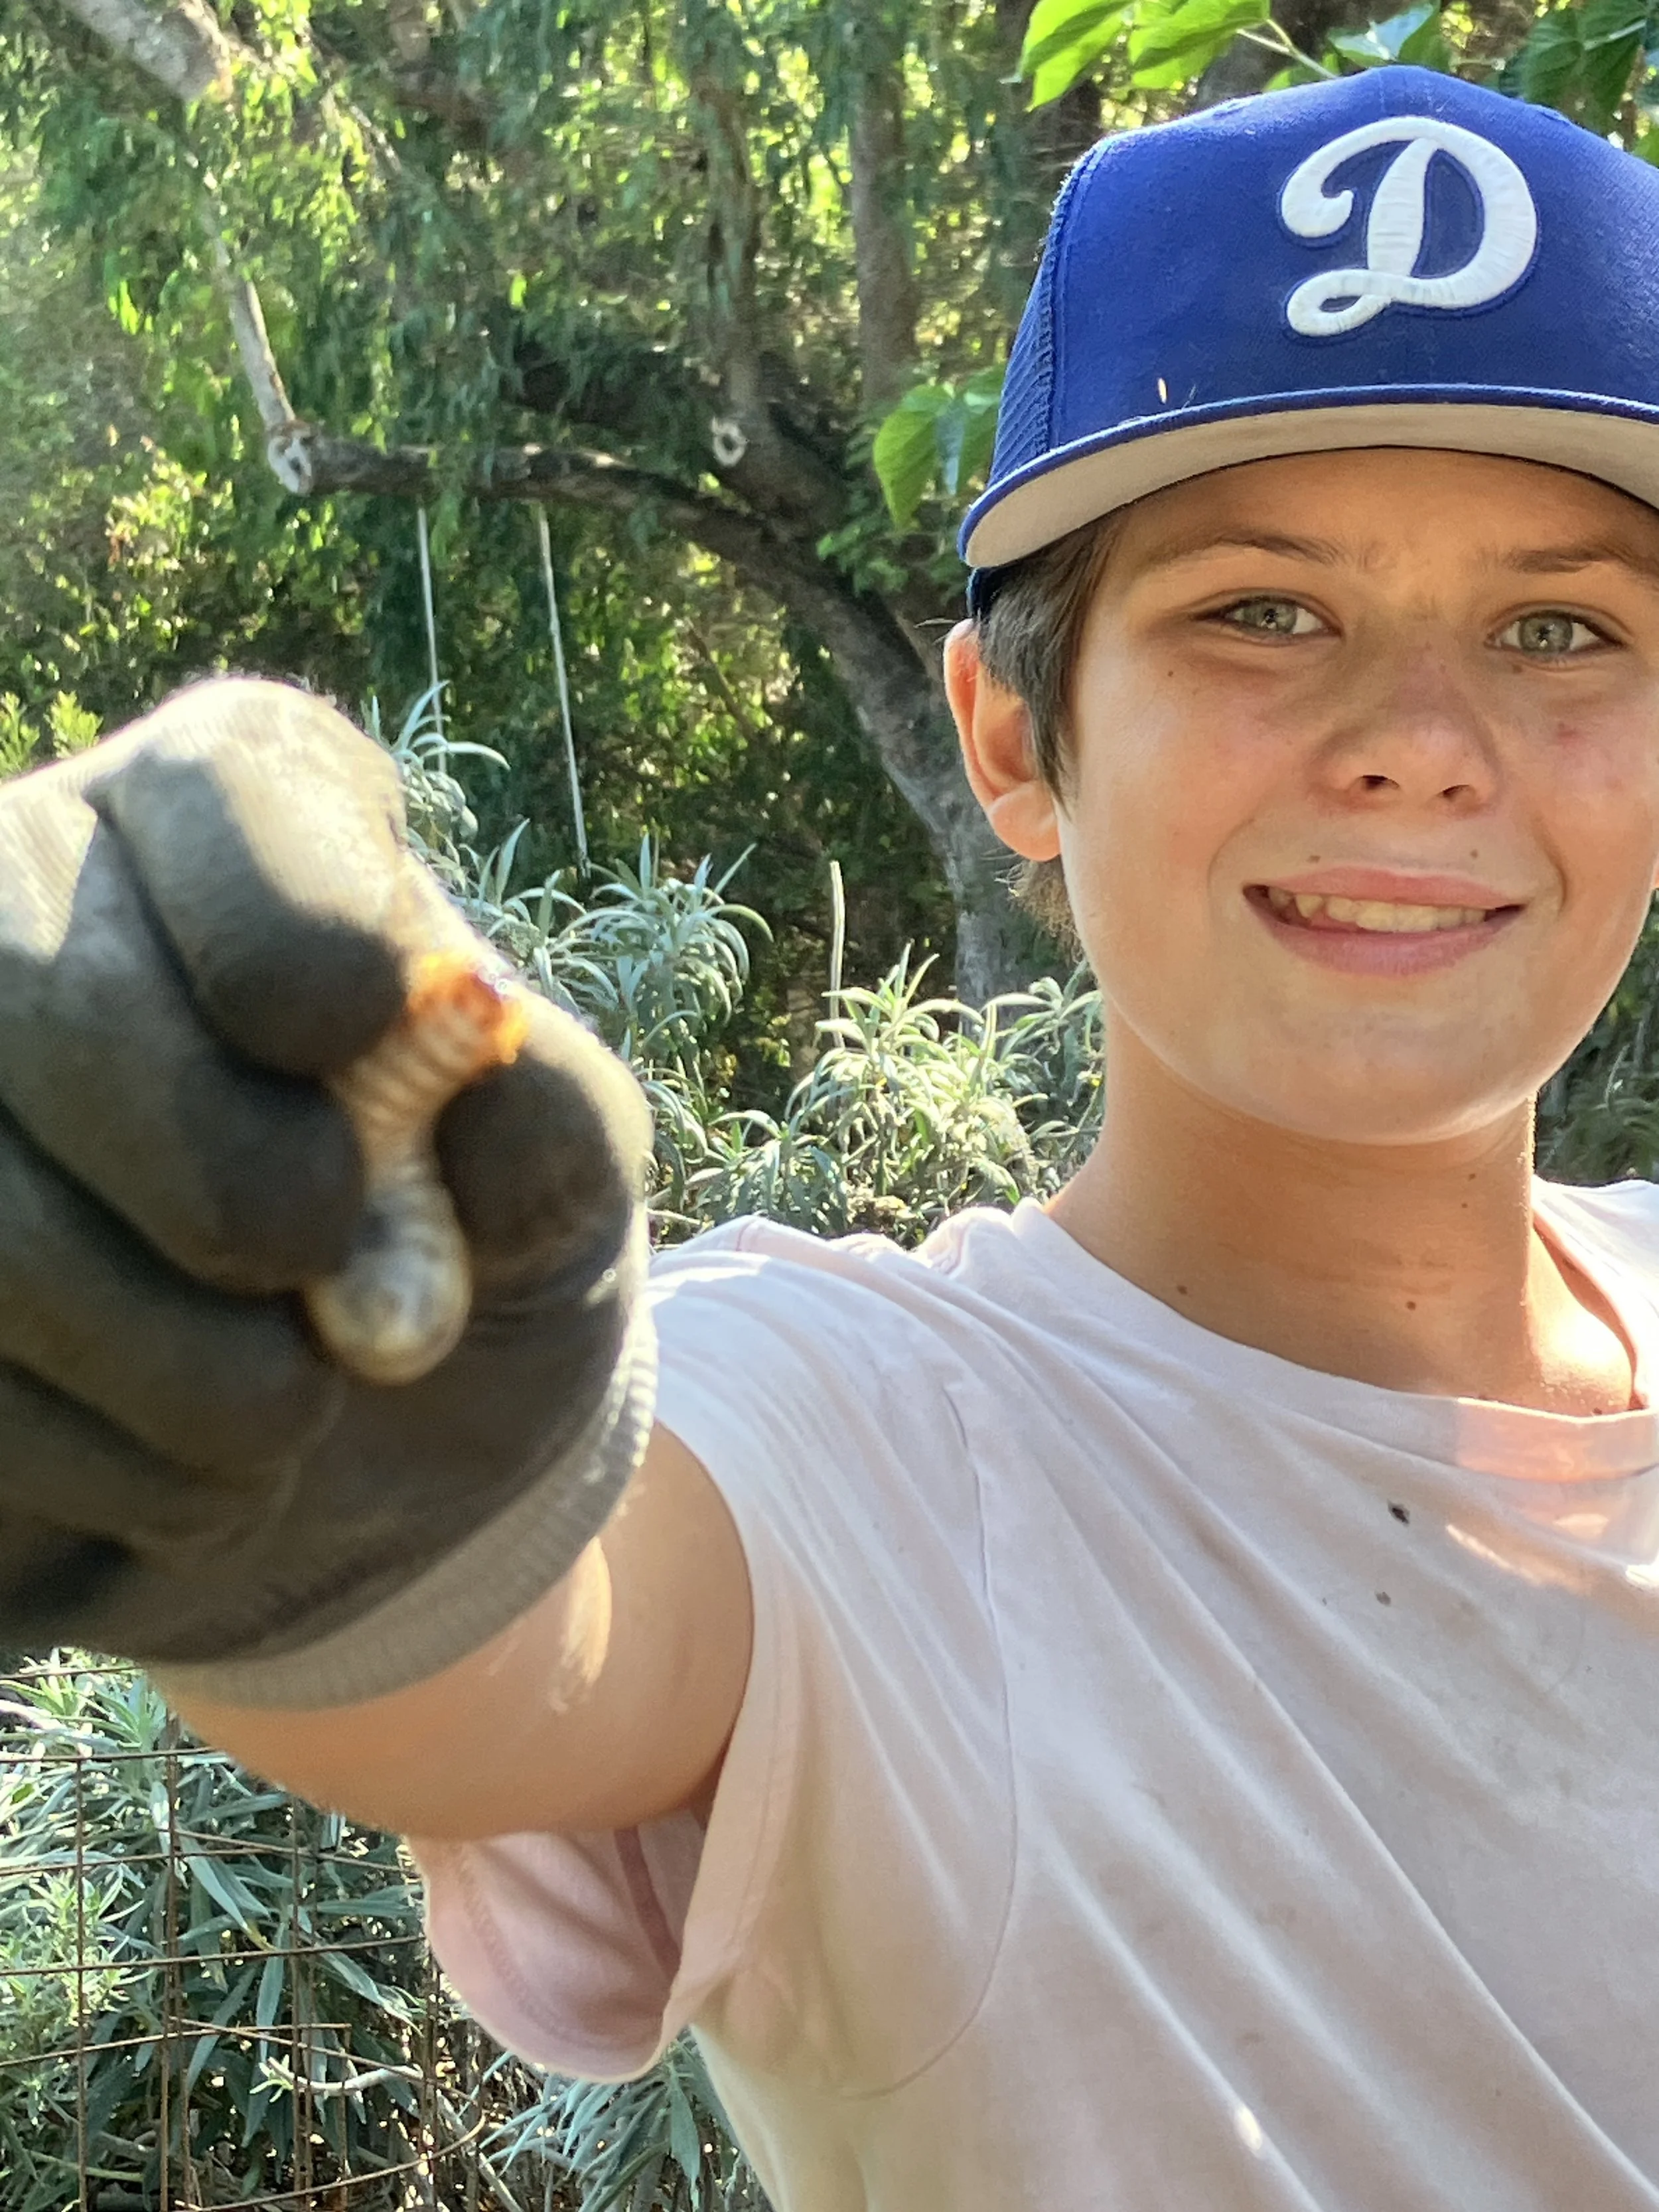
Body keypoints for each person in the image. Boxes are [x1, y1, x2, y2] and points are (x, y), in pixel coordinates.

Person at [6, 60, 1659, 2211]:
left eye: (1560, 628)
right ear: (1012, 736)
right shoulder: (857, 1432)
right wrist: (279, 1452)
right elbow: (541, 1634)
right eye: (1259, 610)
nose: (1420, 745)